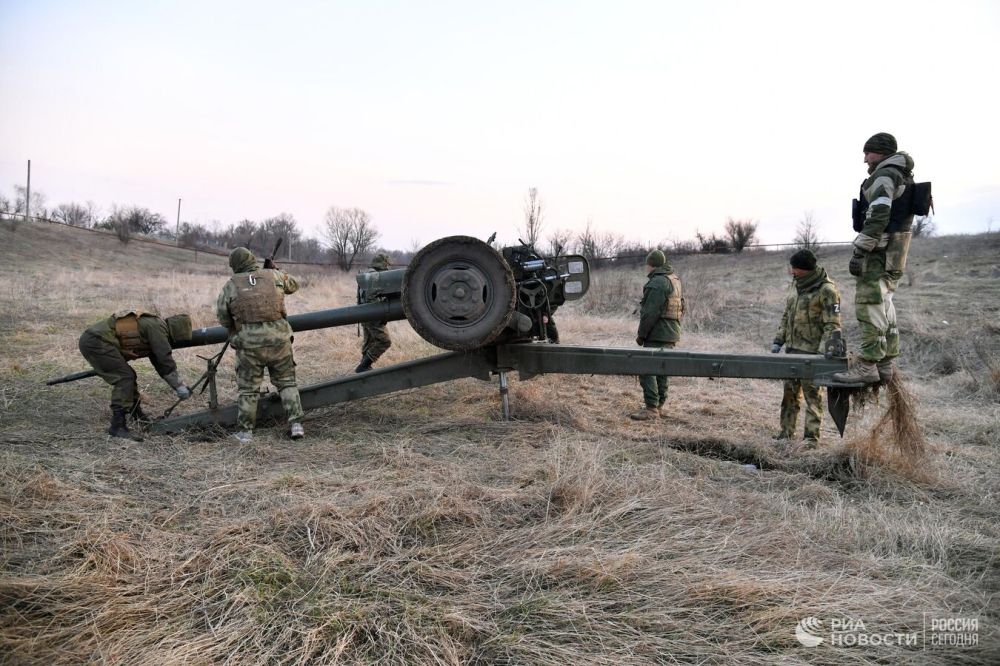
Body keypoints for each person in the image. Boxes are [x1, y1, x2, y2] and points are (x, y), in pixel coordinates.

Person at [833, 132, 915, 384]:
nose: (865, 158)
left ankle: (867, 365)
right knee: (885, 305)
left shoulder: (884, 175)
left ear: (881, 152)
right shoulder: (903, 175)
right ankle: (885, 363)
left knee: (869, 304)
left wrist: (861, 249)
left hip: (879, 252)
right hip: (897, 251)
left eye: (868, 153)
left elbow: (878, 214)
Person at [217, 247, 305, 443]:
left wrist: (238, 332)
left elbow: (223, 318)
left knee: (248, 389)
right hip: (279, 341)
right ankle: (296, 425)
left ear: (235, 265)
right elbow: (294, 285)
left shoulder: (231, 285)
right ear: (252, 260)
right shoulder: (274, 275)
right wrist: (277, 270)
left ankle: (245, 433)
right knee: (287, 382)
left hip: (249, 346)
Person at [78, 311, 193, 441]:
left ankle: (136, 415)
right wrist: (179, 386)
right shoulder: (158, 329)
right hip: (96, 342)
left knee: (129, 375)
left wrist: (177, 385)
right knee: (124, 377)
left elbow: (158, 361)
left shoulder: (155, 325)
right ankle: (117, 426)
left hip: (96, 339)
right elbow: (164, 358)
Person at [771, 249, 842, 444]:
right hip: (792, 351)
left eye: (795, 268)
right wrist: (779, 340)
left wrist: (824, 352)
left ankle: (811, 440)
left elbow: (832, 324)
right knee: (789, 396)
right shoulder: (795, 286)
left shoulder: (827, 290)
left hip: (812, 354)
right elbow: (787, 315)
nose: (792, 272)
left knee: (813, 399)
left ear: (806, 269)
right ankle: (786, 434)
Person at [631, 249, 683, 420]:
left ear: (650, 264)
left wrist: (641, 335)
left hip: (657, 333)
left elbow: (649, 313)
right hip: (671, 332)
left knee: (647, 368)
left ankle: (651, 409)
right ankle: (659, 406)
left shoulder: (657, 283)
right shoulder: (674, 280)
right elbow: (682, 307)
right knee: (662, 369)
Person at [355, 253, 393, 372]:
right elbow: (372, 299)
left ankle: (364, 367)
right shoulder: (375, 277)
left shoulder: (367, 275)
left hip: (364, 314)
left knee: (369, 342)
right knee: (385, 341)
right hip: (372, 315)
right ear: (384, 264)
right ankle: (363, 366)